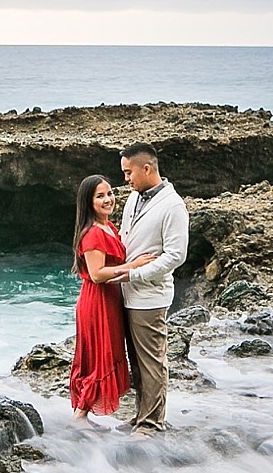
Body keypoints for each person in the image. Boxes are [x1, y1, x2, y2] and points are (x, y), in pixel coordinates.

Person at [115, 144, 189, 432]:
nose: (126, 179)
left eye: (128, 172)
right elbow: (125, 238)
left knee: (152, 361)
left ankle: (152, 422)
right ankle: (140, 415)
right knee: (136, 359)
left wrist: (135, 274)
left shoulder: (173, 205)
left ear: (146, 168)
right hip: (128, 291)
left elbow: (175, 255)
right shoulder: (134, 199)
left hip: (150, 295)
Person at [68, 174, 147, 426]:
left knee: (108, 353)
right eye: (100, 196)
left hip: (111, 300)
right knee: (97, 358)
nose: (108, 199)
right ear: (88, 202)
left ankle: (82, 414)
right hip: (96, 301)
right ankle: (80, 415)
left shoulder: (109, 227)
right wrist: (134, 266)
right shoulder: (92, 234)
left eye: (110, 193)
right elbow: (97, 274)